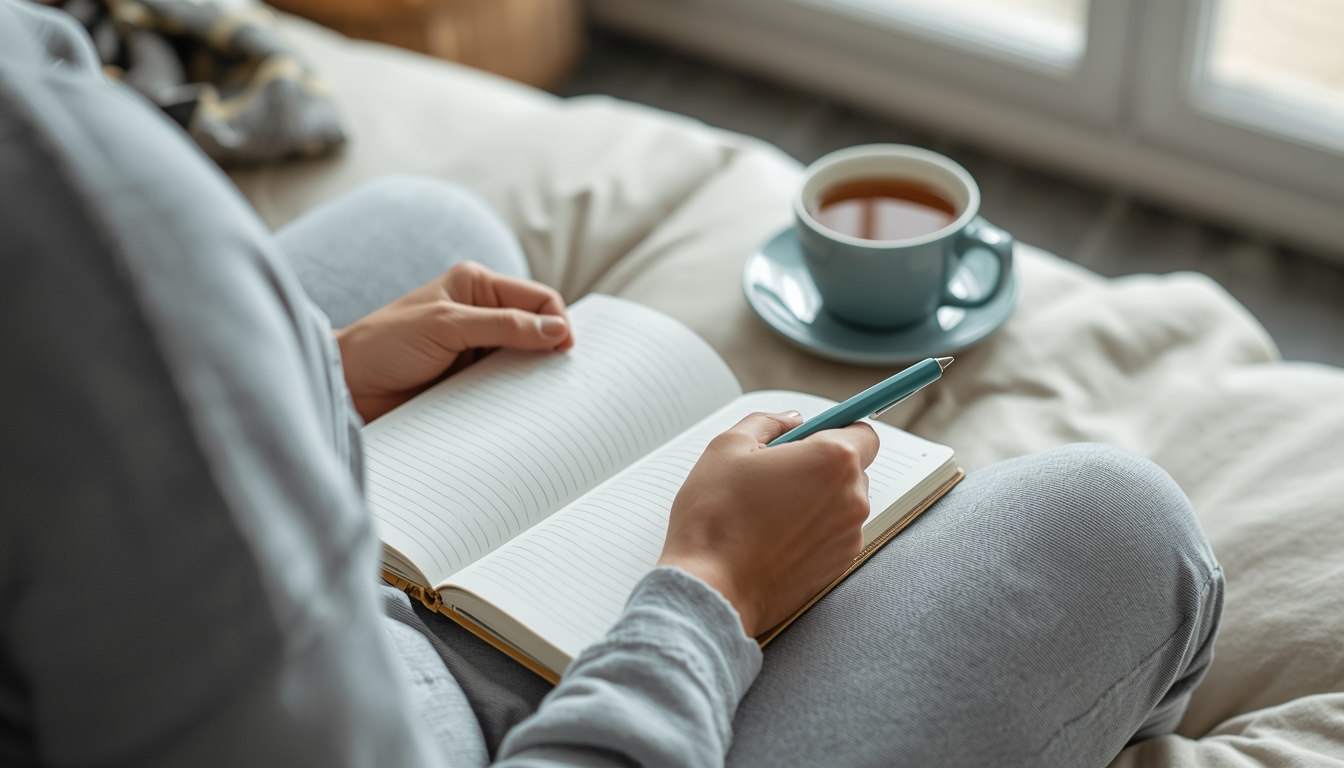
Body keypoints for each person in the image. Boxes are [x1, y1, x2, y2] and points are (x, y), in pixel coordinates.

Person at [0, 2, 1223, 766]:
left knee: (435, 224)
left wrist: (308, 384)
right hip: (464, 712)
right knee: (1120, 526)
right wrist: (706, 595)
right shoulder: (94, 228)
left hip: (285, 611)